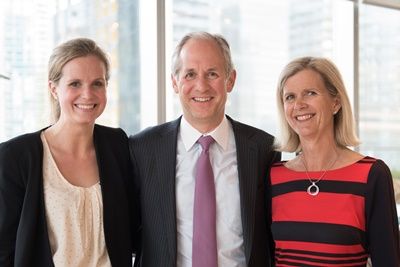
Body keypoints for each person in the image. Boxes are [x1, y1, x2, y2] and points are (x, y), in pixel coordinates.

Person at [129, 31, 281, 267]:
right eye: (190, 74)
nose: (201, 86)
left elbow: (273, 237)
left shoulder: (263, 149)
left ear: (230, 80)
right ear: (174, 82)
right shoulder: (142, 148)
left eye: (212, 74)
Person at [0, 38, 135, 266]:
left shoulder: (118, 145)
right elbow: (4, 251)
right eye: (75, 84)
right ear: (54, 89)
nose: (87, 94)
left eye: (97, 83)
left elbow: (135, 227)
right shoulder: (15, 157)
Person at [270, 56, 400, 266]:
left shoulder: (371, 175)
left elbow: (388, 260)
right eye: (290, 97)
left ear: (335, 103)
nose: (299, 104)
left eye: (310, 93)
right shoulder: (274, 177)